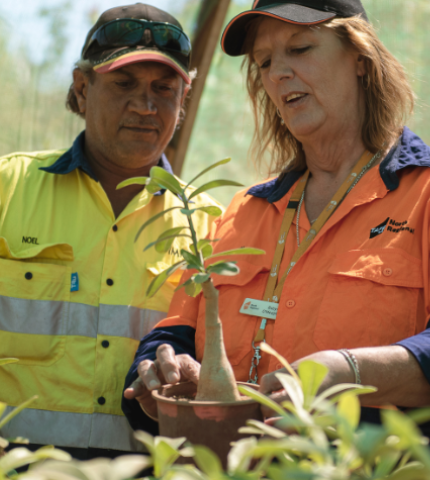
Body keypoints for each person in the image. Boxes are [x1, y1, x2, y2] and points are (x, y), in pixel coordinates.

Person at [0, 3, 221, 458]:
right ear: (82, 89)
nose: (145, 106)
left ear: (184, 103)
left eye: (165, 89)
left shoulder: (210, 224)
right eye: (123, 84)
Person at [123, 0, 430, 435]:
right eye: (264, 61)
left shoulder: (422, 194)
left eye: (300, 48)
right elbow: (178, 331)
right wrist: (161, 368)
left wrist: (349, 371)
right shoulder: (245, 210)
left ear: (360, 58)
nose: (278, 72)